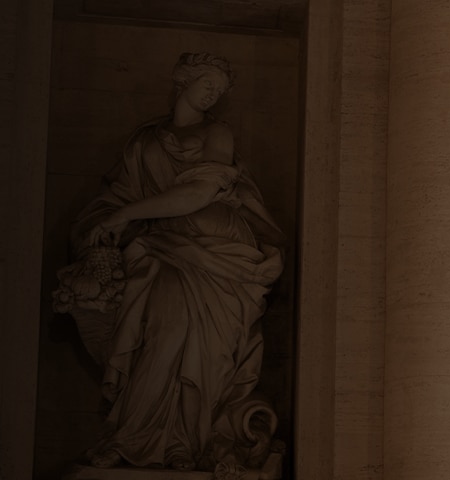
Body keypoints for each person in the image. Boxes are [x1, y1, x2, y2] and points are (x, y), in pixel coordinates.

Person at [59, 52, 283, 471]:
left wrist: (126, 215)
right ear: (183, 80)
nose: (213, 94)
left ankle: (186, 441)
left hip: (217, 251)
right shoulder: (143, 142)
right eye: (207, 83)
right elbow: (116, 196)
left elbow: (198, 193)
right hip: (163, 247)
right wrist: (106, 223)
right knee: (165, 327)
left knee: (203, 345)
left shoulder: (217, 132)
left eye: (220, 89)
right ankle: (136, 437)